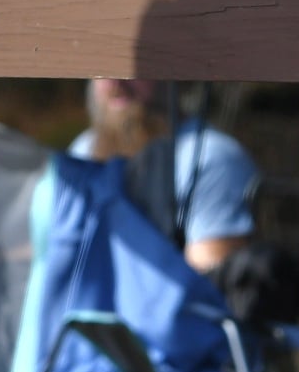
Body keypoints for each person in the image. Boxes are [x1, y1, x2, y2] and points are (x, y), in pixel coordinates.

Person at [67, 78, 258, 274]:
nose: (115, 80)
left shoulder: (208, 157)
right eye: (102, 67)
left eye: (132, 67)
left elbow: (208, 284)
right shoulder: (83, 150)